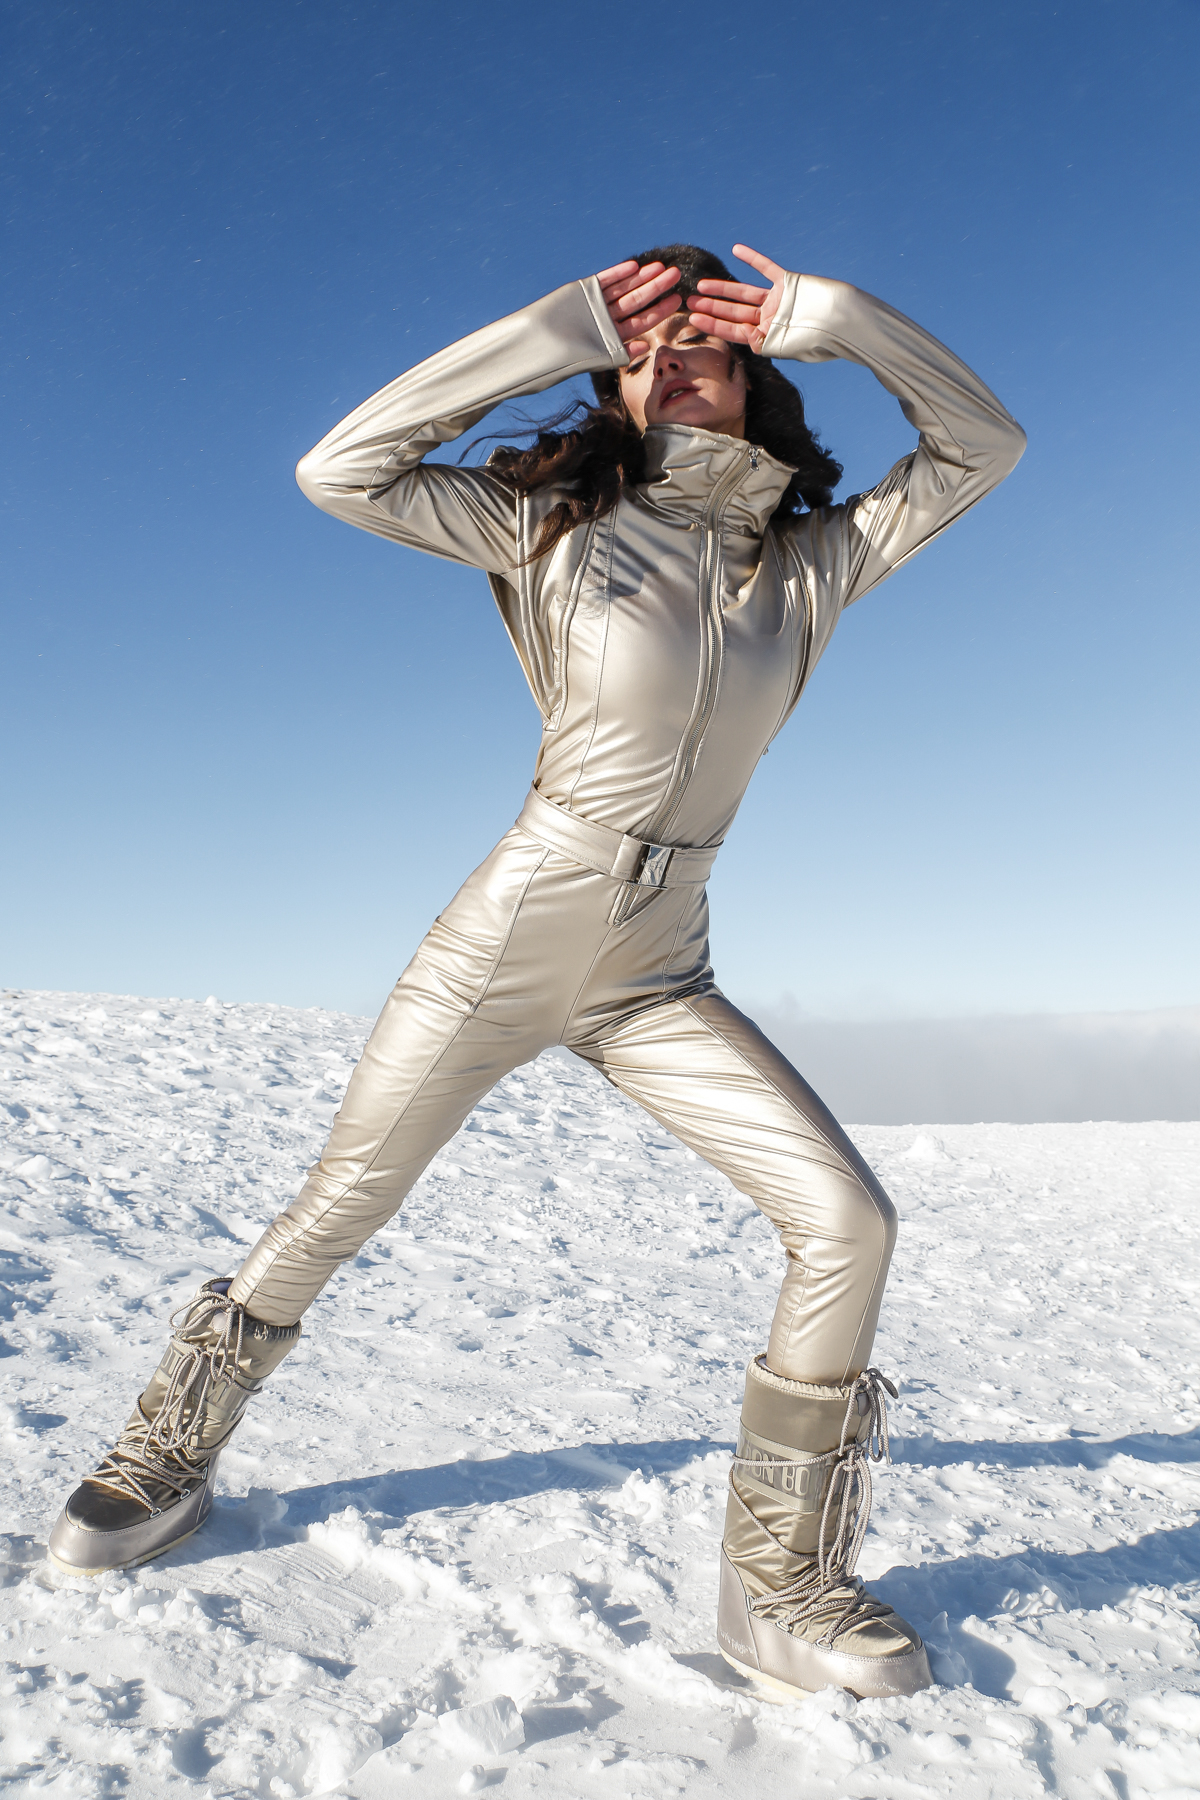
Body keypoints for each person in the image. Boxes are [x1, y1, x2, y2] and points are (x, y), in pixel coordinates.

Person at [48, 244, 1025, 1701]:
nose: (680, 358)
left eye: (716, 340)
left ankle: (777, 1589)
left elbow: (982, 444)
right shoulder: (552, 527)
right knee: (339, 1204)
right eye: (646, 347)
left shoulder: (808, 565)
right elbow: (343, 469)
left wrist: (844, 322)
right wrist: (549, 328)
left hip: (660, 968)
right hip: (508, 938)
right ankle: (167, 1450)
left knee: (847, 1223)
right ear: (617, 386)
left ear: (760, 374)